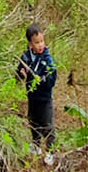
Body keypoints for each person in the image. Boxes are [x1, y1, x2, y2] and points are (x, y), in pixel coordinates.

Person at [16, 22, 57, 164]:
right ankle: (36, 145)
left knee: (47, 124)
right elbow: (19, 73)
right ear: (30, 44)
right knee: (33, 121)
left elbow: (52, 78)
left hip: (45, 98)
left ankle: (51, 151)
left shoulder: (47, 59)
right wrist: (21, 74)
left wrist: (43, 80)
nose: (40, 45)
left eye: (42, 41)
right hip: (32, 96)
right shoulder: (26, 58)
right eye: (37, 42)